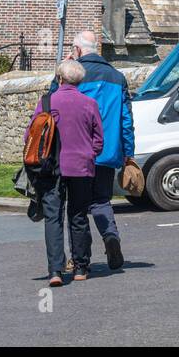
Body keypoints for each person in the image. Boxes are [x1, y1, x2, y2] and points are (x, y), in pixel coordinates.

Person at [63, 30, 135, 271]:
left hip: (80, 151)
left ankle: (79, 257)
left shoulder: (74, 76)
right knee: (102, 200)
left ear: (78, 50)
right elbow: (126, 119)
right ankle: (111, 237)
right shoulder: (117, 77)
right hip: (108, 150)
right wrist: (128, 152)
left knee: (78, 207)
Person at [29, 59, 104, 285]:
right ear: (79, 81)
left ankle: (55, 271)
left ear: (59, 78)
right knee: (78, 216)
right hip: (81, 168)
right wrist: (88, 154)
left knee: (53, 218)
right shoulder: (89, 104)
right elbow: (99, 141)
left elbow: (30, 137)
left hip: (51, 169)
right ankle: (80, 267)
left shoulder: (46, 102)